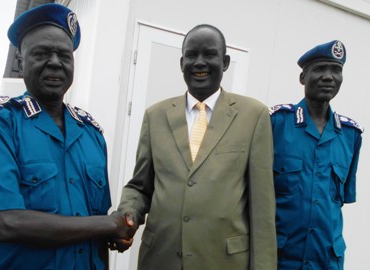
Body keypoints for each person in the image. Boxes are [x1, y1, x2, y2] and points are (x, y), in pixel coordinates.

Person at [0, 3, 134, 270]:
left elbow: (93, 226)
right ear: (20, 61)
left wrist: (112, 232)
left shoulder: (91, 134)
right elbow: (7, 223)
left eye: (64, 55)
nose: (54, 62)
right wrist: (109, 224)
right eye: (42, 53)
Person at [111, 24, 277, 270]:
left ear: (225, 62)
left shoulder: (253, 116)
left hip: (224, 262)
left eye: (209, 55)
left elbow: (262, 207)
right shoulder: (155, 116)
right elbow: (140, 187)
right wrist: (127, 214)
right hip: (160, 258)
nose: (199, 62)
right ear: (181, 63)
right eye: (192, 55)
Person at [270, 40, 363, 269]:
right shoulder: (276, 123)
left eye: (336, 70)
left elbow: (340, 201)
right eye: (319, 69)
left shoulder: (351, 135)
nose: (329, 77)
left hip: (327, 260)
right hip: (281, 259)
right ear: (302, 78)